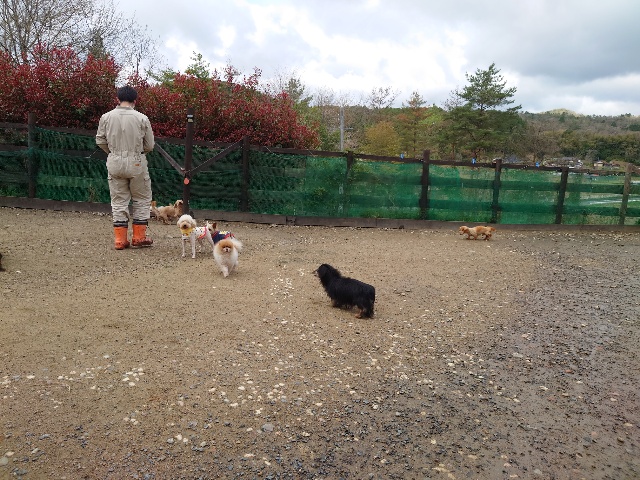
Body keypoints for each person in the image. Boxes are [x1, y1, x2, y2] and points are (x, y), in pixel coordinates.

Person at [96, 85, 155, 250]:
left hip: (114, 161)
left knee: (118, 200)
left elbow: (100, 140)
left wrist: (113, 153)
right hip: (136, 161)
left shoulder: (106, 117)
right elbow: (150, 145)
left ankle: (120, 240)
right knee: (141, 198)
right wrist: (138, 153)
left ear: (117, 99)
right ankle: (139, 237)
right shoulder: (142, 118)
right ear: (135, 100)